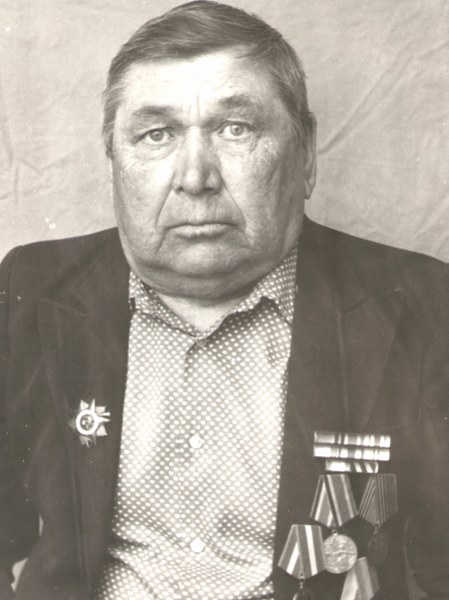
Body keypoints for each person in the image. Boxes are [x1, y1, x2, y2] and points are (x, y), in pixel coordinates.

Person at [1, 2, 449, 599]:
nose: (195, 177)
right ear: (113, 161)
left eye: (235, 129)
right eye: (157, 134)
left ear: (306, 154)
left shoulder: (426, 307)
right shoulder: (30, 290)